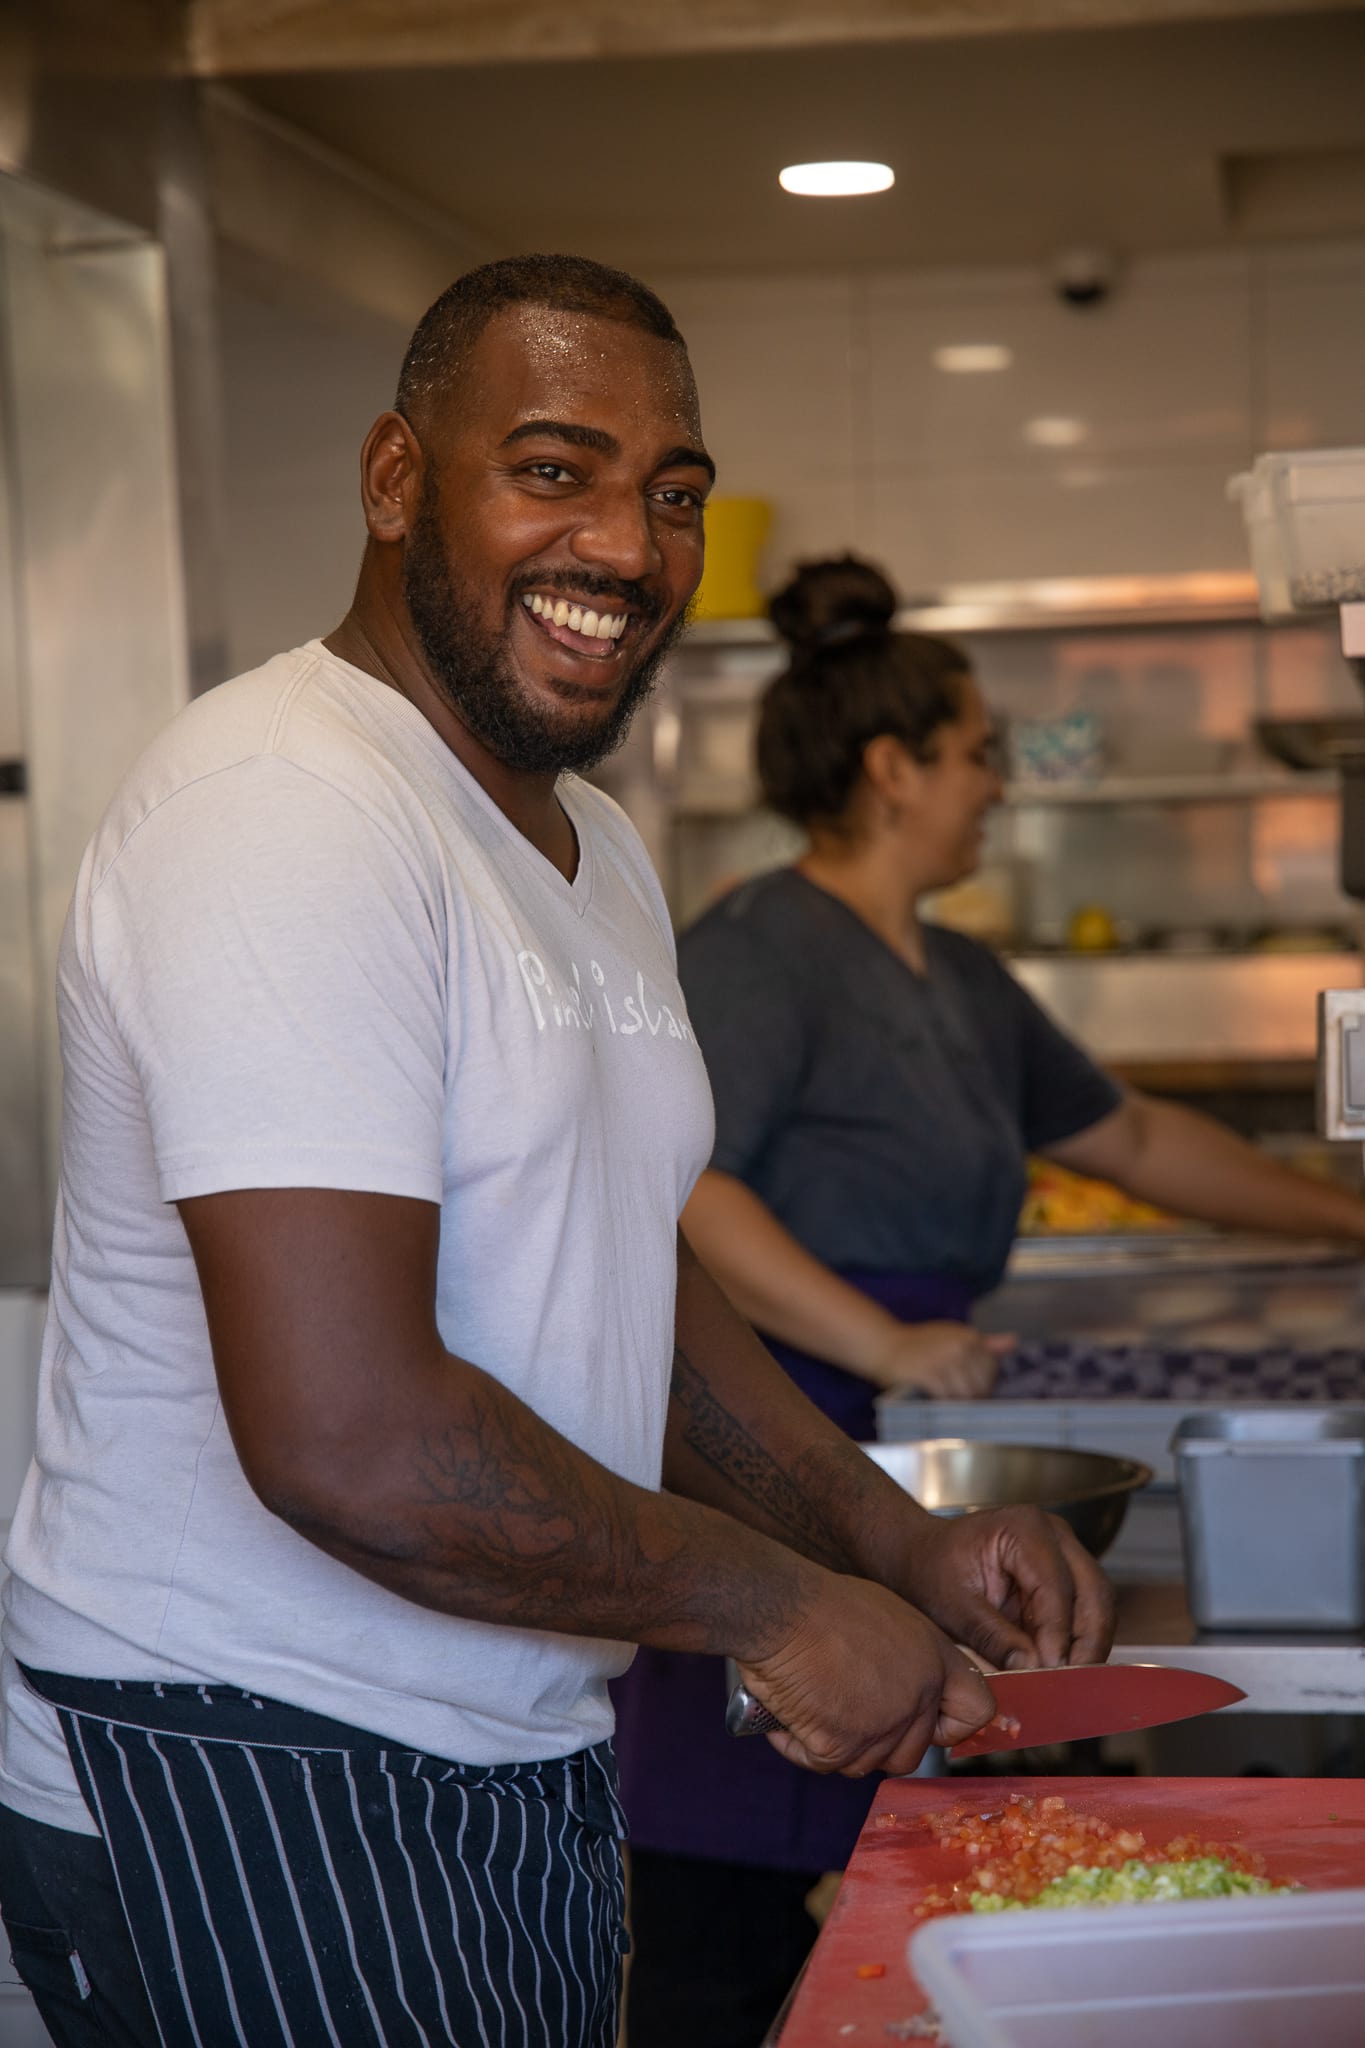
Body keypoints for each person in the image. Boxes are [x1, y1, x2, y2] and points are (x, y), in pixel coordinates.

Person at [0, 263, 1112, 2048]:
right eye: (552, 470)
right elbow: (350, 1438)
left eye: (671, 493)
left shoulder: (583, 840)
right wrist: (776, 1607)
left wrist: (887, 1541)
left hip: (500, 1737)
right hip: (247, 1754)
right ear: (392, 482)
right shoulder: (282, 806)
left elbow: (614, 1277)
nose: (628, 543)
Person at [613, 551, 1365, 2048]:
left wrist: (1350, 1216)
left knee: (896, 1851)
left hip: (899, 1435)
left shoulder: (954, 974)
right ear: (890, 771)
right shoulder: (759, 951)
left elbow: (1133, 1139)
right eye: (976, 758)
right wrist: (881, 1337)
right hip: (762, 1429)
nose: (997, 789)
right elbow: (684, 1191)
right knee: (736, 1902)